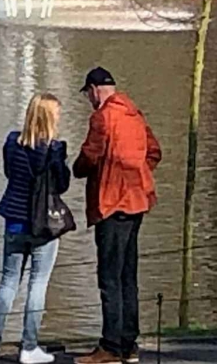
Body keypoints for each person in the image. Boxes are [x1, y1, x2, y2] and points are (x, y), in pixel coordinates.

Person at [73, 68, 162, 364]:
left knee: (109, 276)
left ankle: (110, 346)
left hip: (111, 202)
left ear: (96, 90)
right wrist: (138, 175)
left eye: (87, 94)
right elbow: (154, 152)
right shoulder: (134, 113)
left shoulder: (103, 117)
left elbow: (91, 155)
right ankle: (129, 344)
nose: (88, 99)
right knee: (128, 275)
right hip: (137, 202)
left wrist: (78, 169)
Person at [0, 93, 71, 364]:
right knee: (37, 283)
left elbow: (10, 173)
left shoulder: (12, 142)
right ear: (50, 118)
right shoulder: (54, 149)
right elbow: (62, 184)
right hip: (44, 224)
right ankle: (29, 347)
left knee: (8, 282)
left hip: (15, 219)